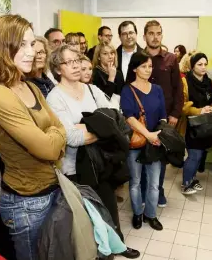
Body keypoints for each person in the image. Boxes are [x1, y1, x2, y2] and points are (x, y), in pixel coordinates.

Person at [46, 45, 140, 258]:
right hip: (76, 168)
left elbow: (116, 118)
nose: (76, 65)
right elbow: (73, 138)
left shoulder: (91, 89)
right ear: (58, 69)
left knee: (109, 208)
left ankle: (119, 245)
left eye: (77, 60)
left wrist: (87, 125)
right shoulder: (55, 98)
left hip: (103, 161)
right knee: (89, 215)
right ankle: (100, 253)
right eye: (69, 62)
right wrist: (102, 126)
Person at [0, 14, 66, 260]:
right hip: (25, 203)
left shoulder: (31, 86)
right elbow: (47, 148)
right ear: (2, 47)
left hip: (52, 188)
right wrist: (54, 137)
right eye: (21, 44)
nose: (31, 51)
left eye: (31, 43)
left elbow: (61, 129)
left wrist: (53, 136)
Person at [137, 20, 183, 207]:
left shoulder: (171, 59)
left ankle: (159, 190)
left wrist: (175, 114)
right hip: (141, 117)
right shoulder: (138, 58)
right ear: (145, 36)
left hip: (164, 117)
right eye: (151, 33)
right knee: (141, 154)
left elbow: (178, 89)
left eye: (158, 33)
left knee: (160, 157)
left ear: (162, 36)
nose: (155, 37)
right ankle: (142, 191)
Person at [121, 52, 165, 230]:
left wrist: (159, 135)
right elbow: (129, 117)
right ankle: (138, 213)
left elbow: (163, 115)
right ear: (134, 68)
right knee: (136, 182)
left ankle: (151, 215)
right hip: (136, 142)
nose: (148, 70)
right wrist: (148, 134)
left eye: (150, 66)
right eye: (143, 66)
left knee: (154, 183)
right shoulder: (127, 90)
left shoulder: (157, 89)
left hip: (155, 142)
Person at [177, 53, 212, 194]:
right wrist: (199, 110)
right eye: (199, 64)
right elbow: (182, 106)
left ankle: (192, 178)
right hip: (192, 126)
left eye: (205, 64)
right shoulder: (185, 82)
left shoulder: (209, 82)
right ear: (192, 66)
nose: (203, 67)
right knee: (194, 155)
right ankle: (186, 184)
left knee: (201, 154)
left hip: (207, 126)